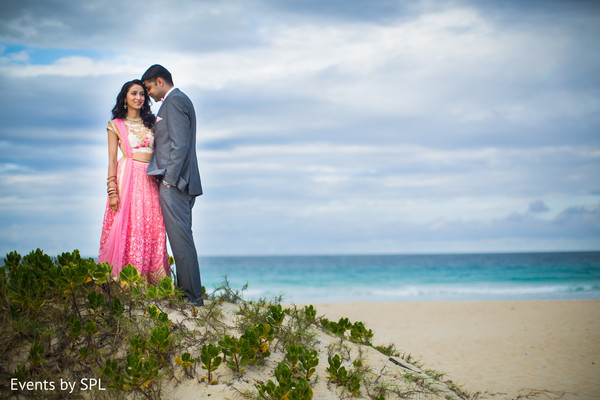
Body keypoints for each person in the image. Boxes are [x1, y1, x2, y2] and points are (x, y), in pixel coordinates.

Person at [141, 65, 204, 306]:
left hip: (176, 183)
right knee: (182, 238)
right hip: (181, 182)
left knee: (181, 240)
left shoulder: (175, 101)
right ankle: (190, 293)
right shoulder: (179, 100)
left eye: (148, 88)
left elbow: (180, 145)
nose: (148, 95)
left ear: (159, 81)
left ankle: (191, 297)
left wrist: (169, 180)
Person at [98, 79, 170, 285]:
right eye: (134, 94)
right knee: (129, 228)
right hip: (127, 179)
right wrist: (112, 191)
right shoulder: (115, 125)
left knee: (154, 227)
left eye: (141, 94)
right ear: (125, 98)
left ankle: (154, 283)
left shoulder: (153, 123)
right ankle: (126, 283)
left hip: (151, 179)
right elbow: (111, 160)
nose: (138, 97)